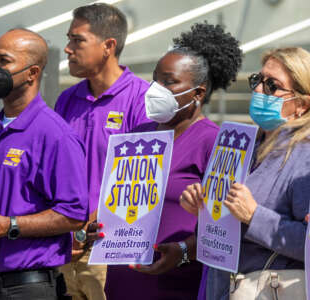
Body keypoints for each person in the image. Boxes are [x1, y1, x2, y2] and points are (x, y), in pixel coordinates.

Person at [103, 23, 243, 300]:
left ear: (198, 93)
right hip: (122, 286)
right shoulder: (136, 138)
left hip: (178, 287)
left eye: (169, 82)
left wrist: (183, 250)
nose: (157, 89)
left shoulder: (213, 142)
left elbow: (226, 227)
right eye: (156, 80)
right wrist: (102, 231)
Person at [0, 28, 89, 300]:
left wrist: (10, 225)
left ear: (32, 73)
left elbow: (74, 213)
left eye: (4, 61)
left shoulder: (56, 135)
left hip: (25, 288)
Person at [180, 47, 310, 300]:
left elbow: (307, 243)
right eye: (257, 80)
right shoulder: (241, 143)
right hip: (220, 287)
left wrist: (254, 216)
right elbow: (223, 228)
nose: (259, 91)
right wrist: (204, 208)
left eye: (272, 86)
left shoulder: (304, 156)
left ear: (301, 105)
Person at [54, 3, 150, 300]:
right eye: (68, 39)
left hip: (110, 249)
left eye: (77, 40)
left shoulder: (141, 98)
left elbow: (141, 181)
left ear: (108, 46)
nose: (68, 49)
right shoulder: (67, 99)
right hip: (65, 248)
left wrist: (85, 227)